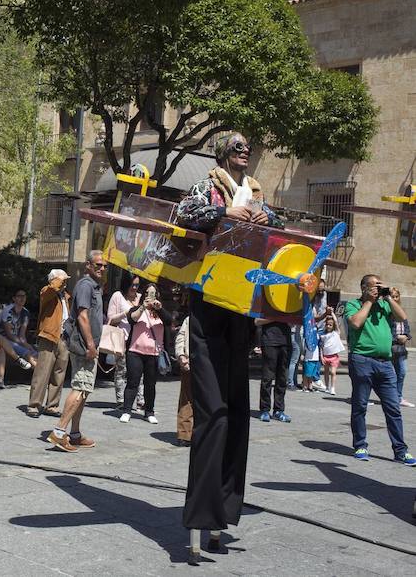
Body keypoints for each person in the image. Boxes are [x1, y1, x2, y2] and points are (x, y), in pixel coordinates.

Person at [176, 132, 284, 560]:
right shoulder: (208, 186)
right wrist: (226, 214)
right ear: (222, 154)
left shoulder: (257, 192)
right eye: (236, 146)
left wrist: (261, 219)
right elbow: (183, 211)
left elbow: (277, 226)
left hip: (242, 308)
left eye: (247, 146)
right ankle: (201, 518)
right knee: (214, 415)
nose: (244, 150)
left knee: (238, 415)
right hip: (208, 305)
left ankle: (222, 513)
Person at [345, 274, 415, 465]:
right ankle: (360, 445)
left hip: (385, 363)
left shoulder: (385, 305)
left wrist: (389, 297)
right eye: (374, 286)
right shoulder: (353, 304)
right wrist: (368, 302)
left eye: (379, 286)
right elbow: (356, 323)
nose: (377, 289)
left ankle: (400, 450)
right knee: (360, 406)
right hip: (361, 360)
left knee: (393, 408)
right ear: (363, 288)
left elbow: (402, 317)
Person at [46, 251, 105, 452]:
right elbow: (82, 316)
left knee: (84, 390)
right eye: (98, 265)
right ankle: (59, 433)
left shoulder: (94, 286)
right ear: (88, 265)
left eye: (104, 265)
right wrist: (90, 345)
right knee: (80, 387)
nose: (102, 268)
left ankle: (75, 434)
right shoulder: (85, 285)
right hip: (83, 346)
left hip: (89, 345)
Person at [121, 282, 172, 425]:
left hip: (154, 354)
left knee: (151, 384)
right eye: (148, 293)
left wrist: (159, 309)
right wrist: (143, 306)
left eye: (154, 293)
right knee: (133, 382)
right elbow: (132, 319)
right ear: (143, 295)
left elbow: (169, 321)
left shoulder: (161, 312)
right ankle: (126, 410)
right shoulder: (137, 309)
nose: (151, 296)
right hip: (135, 352)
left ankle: (149, 412)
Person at [26, 269, 70, 418]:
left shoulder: (65, 296)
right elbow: (51, 289)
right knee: (42, 371)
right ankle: (34, 405)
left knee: (59, 373)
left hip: (64, 337)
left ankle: (52, 405)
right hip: (49, 336)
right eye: (63, 280)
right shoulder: (47, 291)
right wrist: (58, 280)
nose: (65, 283)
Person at [106, 273, 140, 409]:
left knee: (138, 372)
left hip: (138, 340)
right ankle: (121, 400)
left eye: (137, 285)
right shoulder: (118, 296)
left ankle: (139, 400)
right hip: (122, 338)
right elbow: (110, 319)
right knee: (121, 370)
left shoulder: (140, 297)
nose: (135, 288)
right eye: (132, 285)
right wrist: (125, 313)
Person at [0, 289, 38, 388]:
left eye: (24, 296)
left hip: (16, 340)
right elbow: (9, 334)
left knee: (33, 351)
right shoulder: (8, 311)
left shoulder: (25, 313)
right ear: (14, 298)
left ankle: (43, 377)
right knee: (27, 353)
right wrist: (24, 346)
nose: (22, 298)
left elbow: (22, 334)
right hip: (4, 339)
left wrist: (26, 344)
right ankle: (43, 379)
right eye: (19, 296)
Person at [255, 319, 291, 423]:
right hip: (269, 341)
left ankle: (278, 410)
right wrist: (276, 316)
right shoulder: (265, 304)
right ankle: (264, 410)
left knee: (282, 378)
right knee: (267, 377)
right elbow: (257, 321)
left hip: (286, 341)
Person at [390, 287, 413, 408]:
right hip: (391, 347)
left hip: (401, 349)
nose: (394, 298)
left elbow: (407, 328)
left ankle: (398, 397)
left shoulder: (401, 311)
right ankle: (390, 397)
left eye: (396, 296)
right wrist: (396, 338)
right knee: (388, 374)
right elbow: (385, 331)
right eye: (392, 296)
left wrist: (406, 336)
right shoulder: (387, 312)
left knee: (402, 372)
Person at [175, 315, 192, 447]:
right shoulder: (189, 319)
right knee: (186, 399)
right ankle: (184, 434)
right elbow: (181, 336)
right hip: (190, 362)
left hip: (210, 365)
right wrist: (181, 354)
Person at [320, 313, 345, 397]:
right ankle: (327, 387)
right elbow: (321, 347)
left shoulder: (336, 332)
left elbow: (336, 321)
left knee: (333, 372)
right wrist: (321, 357)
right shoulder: (323, 335)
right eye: (327, 324)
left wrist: (332, 313)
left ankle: (333, 387)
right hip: (325, 356)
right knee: (326, 372)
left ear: (333, 325)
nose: (328, 326)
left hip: (334, 357)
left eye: (330, 325)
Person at [287, 324, 303, 391]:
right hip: (293, 333)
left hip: (297, 333)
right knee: (294, 360)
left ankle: (294, 382)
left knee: (296, 360)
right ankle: (290, 383)